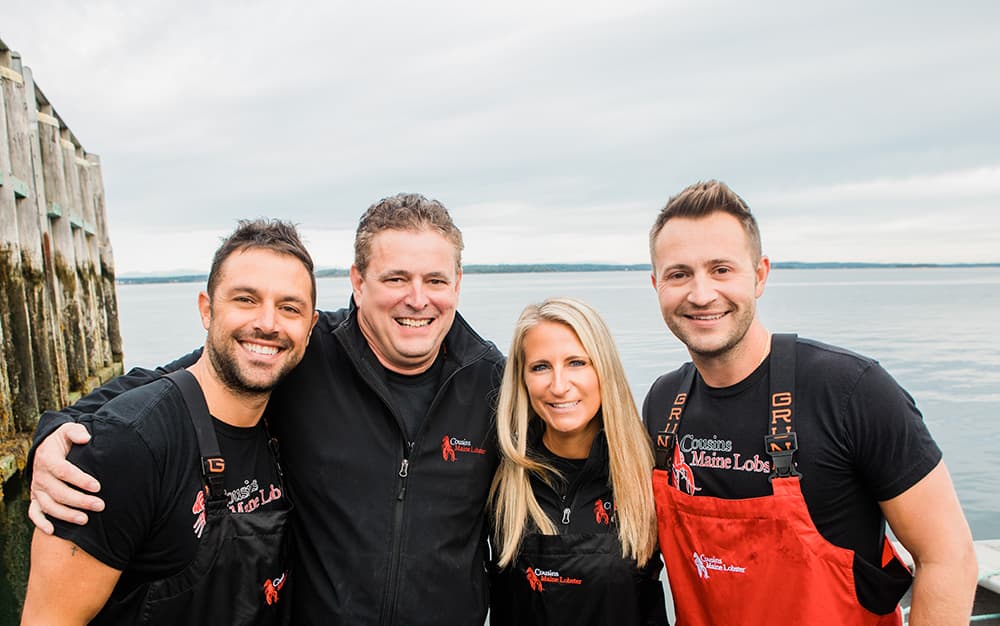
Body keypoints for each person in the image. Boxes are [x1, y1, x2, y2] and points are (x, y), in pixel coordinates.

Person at [28, 194, 505, 625]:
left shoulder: (494, 383)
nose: (417, 299)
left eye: (435, 280)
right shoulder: (302, 350)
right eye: (396, 278)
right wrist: (54, 431)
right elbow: (164, 385)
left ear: (458, 284)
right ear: (358, 282)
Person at [643, 180, 978, 625]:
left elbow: (948, 557)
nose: (701, 293)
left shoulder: (852, 391)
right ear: (656, 284)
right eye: (679, 273)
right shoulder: (664, 405)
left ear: (760, 275)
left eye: (721, 269)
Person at [21, 219, 319, 624]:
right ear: (206, 310)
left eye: (289, 308)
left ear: (311, 327)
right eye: (246, 300)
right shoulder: (124, 448)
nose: (267, 323)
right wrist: (51, 431)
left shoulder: (286, 414)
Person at [489, 297, 667, 626]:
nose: (559, 386)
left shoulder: (650, 474)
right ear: (523, 379)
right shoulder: (500, 477)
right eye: (540, 367)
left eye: (576, 363)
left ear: (604, 369)